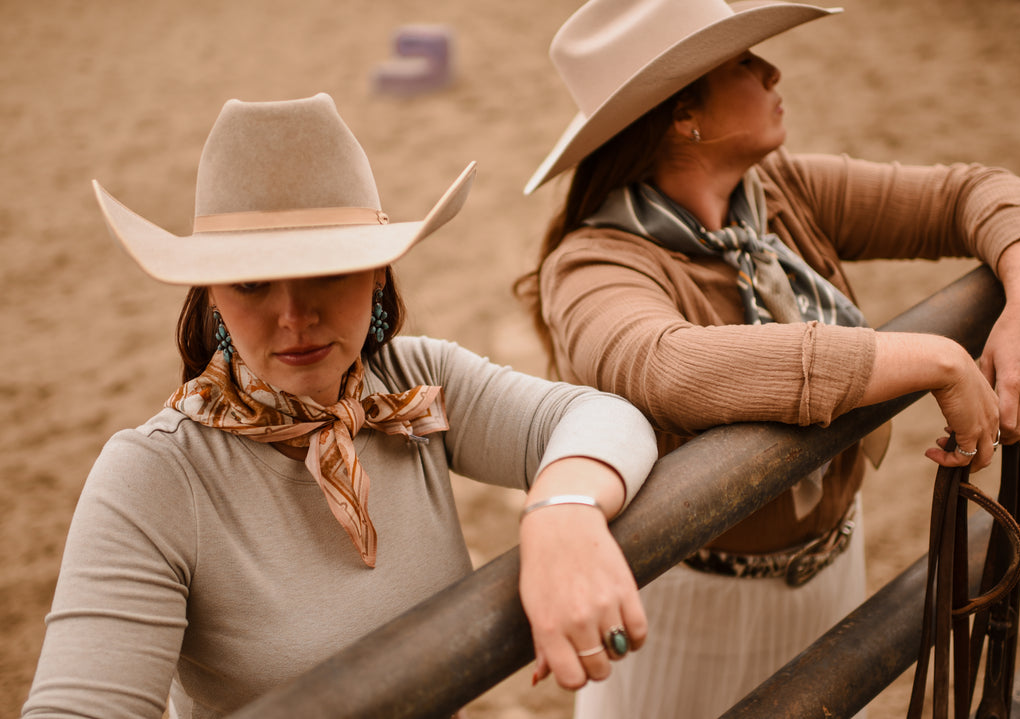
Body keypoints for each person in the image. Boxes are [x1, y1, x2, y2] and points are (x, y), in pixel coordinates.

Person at [21, 93, 659, 719]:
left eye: (329, 270)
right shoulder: (156, 476)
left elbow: (606, 416)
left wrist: (562, 514)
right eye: (251, 283)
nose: (295, 317)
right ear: (210, 294)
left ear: (379, 271)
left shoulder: (415, 380)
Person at [517, 0, 1020, 717]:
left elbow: (974, 192)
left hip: (833, 570)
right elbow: (674, 367)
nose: (772, 68)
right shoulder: (591, 266)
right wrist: (932, 357)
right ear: (685, 112)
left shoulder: (779, 192)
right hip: (689, 610)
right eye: (745, 61)